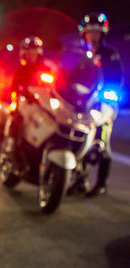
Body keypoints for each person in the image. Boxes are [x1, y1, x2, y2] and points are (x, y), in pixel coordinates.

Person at [68, 12, 125, 196]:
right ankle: (80, 180)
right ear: (84, 34)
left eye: (96, 32)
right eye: (89, 32)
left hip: (104, 105)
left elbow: (118, 77)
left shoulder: (110, 54)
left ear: (103, 34)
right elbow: (73, 78)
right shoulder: (82, 56)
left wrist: (109, 93)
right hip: (84, 106)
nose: (93, 36)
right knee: (79, 139)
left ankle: (101, 183)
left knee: (102, 143)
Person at [3, 36, 52, 155]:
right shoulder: (20, 72)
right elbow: (13, 90)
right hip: (25, 106)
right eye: (28, 54)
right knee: (16, 120)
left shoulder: (46, 70)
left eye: (33, 54)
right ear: (23, 56)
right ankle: (12, 149)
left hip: (44, 107)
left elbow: (54, 87)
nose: (31, 56)